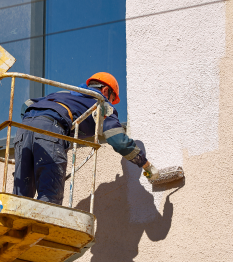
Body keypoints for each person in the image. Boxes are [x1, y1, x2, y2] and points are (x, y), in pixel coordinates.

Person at [13, 72, 158, 205]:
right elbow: (118, 140)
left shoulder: (64, 93)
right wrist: (145, 165)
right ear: (106, 91)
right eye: (112, 99)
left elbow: (28, 104)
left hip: (23, 130)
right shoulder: (101, 103)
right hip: (51, 130)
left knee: (20, 197)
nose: (111, 103)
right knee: (49, 198)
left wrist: (34, 126)